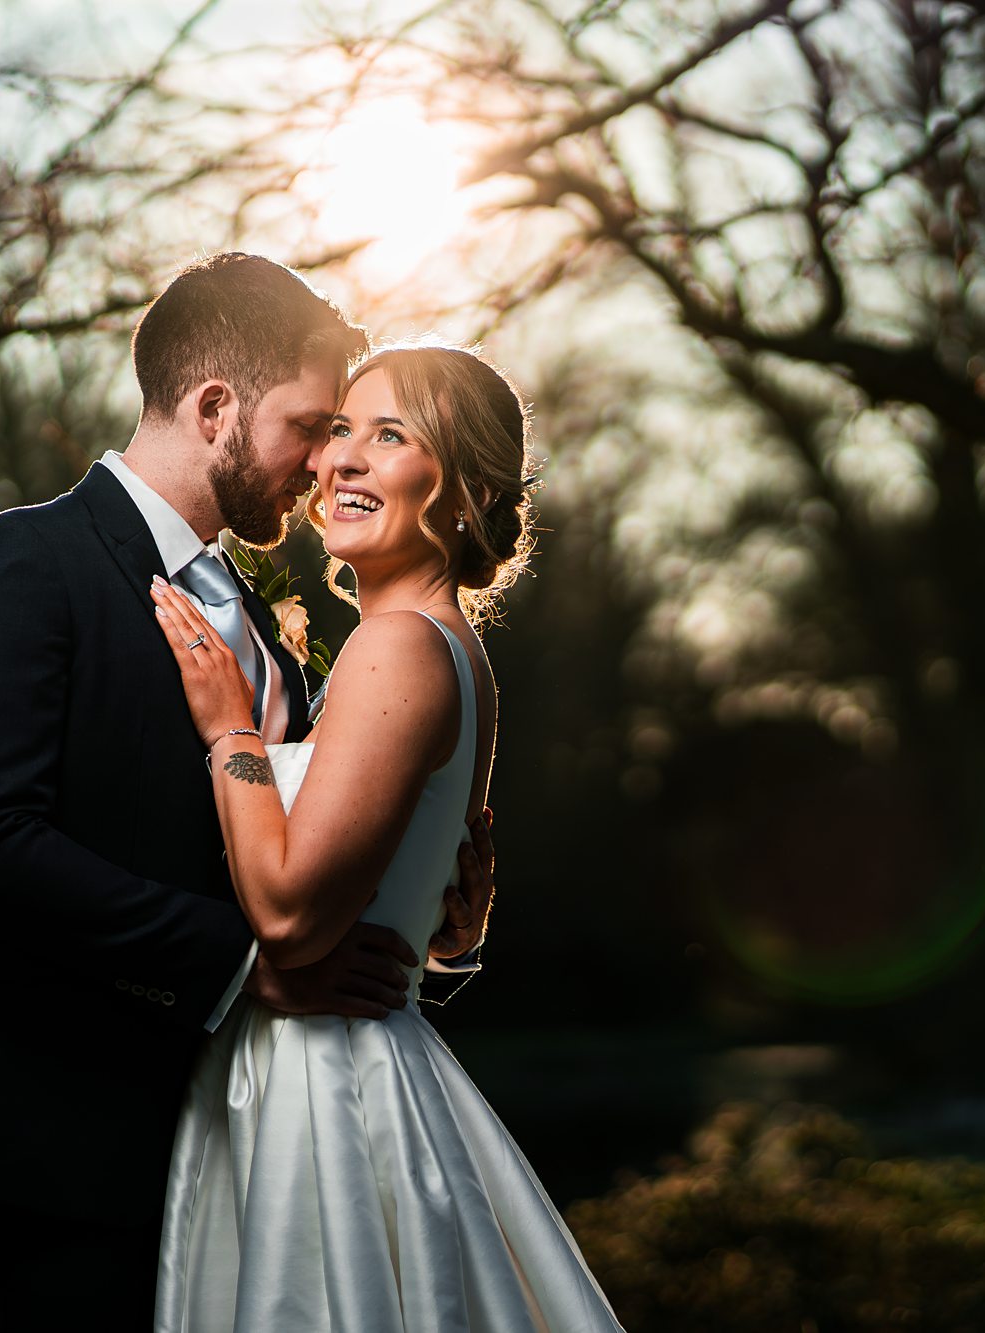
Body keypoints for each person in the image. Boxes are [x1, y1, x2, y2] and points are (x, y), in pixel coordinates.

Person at [0, 254, 496, 1331]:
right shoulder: (26, 564)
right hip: (42, 1149)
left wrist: (427, 921)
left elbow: (294, 869)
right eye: (310, 425)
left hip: (226, 1146)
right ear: (214, 408)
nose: (321, 461)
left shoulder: (270, 635)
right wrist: (243, 966)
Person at [147, 344, 621, 1330]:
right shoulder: (448, 648)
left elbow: (285, 912)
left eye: (390, 435)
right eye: (339, 432)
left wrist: (229, 726)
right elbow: (418, 904)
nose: (343, 460)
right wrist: (446, 936)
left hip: (321, 1093)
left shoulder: (398, 646)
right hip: (342, 1059)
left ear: (465, 492)